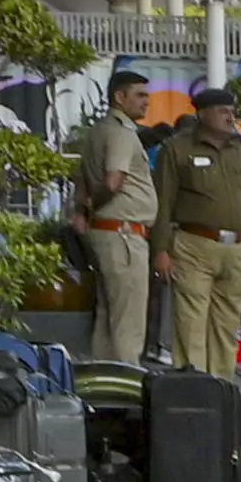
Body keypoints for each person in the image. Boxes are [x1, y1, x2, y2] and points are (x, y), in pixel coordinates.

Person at [152, 80, 241, 369]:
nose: (231, 117)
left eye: (232, 111)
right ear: (203, 114)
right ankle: (194, 391)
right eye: (222, 112)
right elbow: (163, 203)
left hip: (236, 249)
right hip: (194, 245)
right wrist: (161, 250)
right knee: (190, 324)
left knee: (226, 327)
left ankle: (220, 393)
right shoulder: (177, 149)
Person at [70, 62, 160, 365]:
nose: (146, 101)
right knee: (128, 323)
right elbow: (113, 180)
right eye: (140, 95)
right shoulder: (121, 133)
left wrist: (83, 208)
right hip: (124, 234)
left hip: (107, 233)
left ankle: (104, 387)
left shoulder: (98, 130)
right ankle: (127, 387)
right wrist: (93, 204)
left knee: (107, 318)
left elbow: (81, 177)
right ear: (119, 98)